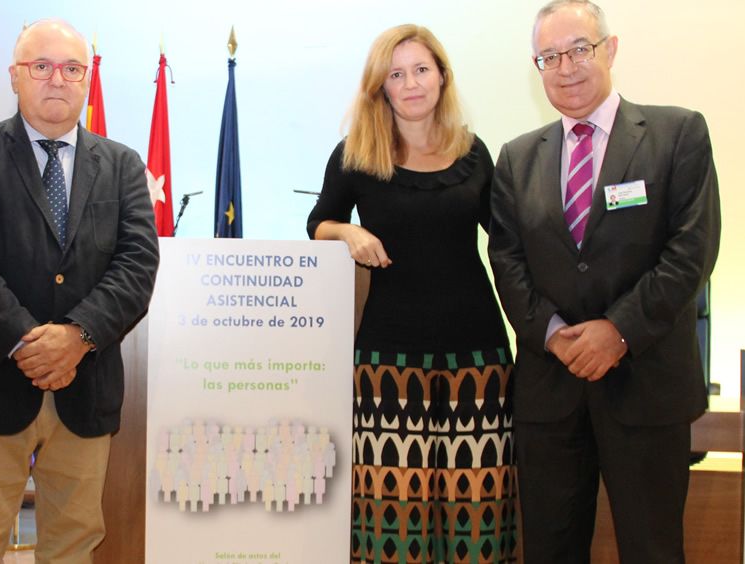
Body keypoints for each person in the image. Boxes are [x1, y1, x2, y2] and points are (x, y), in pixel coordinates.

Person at [486, 1, 721, 562]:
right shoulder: (517, 159)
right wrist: (553, 334)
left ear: (610, 50)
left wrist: (617, 332)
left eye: (579, 50)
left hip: (646, 387)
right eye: (549, 57)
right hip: (552, 393)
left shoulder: (677, 133)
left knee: (652, 550)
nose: (565, 67)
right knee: (550, 550)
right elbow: (507, 261)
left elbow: (691, 251)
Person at [0, 18, 159, 563]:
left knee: (73, 548)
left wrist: (77, 336)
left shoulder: (122, 165)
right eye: (42, 66)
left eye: (72, 68)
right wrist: (27, 342)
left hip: (85, 387)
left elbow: (137, 264)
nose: (58, 79)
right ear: (15, 76)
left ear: (86, 80)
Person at [307, 24, 517, 564]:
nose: (411, 83)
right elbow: (318, 224)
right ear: (381, 87)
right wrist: (347, 232)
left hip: (479, 358)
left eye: (421, 69)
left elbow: (509, 241)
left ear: (442, 76)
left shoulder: (474, 153)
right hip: (388, 361)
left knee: (479, 514)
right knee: (392, 519)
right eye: (396, 74)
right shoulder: (356, 154)